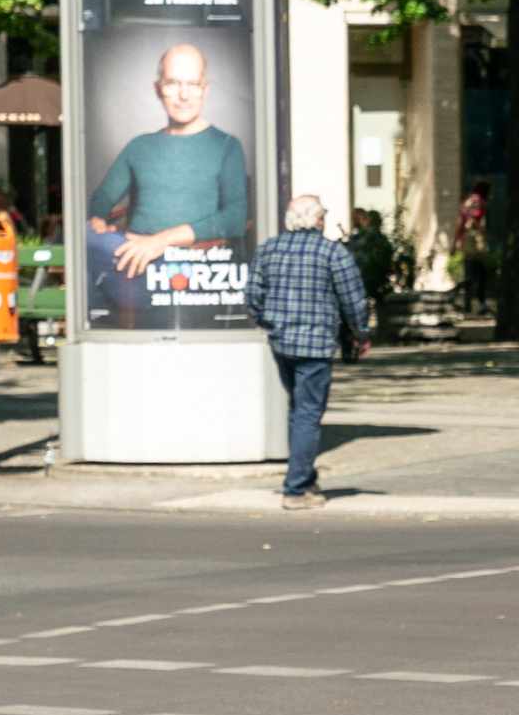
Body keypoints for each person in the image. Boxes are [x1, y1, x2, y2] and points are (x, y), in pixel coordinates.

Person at [85, 40, 249, 321]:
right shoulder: (140, 146)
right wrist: (98, 217)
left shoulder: (226, 145)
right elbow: (101, 198)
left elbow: (236, 217)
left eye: (193, 84)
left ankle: (113, 314)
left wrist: (161, 241)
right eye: (172, 83)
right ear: (158, 88)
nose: (183, 95)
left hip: (190, 267)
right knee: (84, 236)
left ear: (205, 89)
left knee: (98, 275)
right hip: (132, 257)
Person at [248, 194, 371, 511]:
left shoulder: (268, 249)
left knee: (298, 410)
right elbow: (353, 297)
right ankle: (296, 489)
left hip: (282, 343)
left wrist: (270, 323)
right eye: (323, 215)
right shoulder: (331, 252)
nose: (324, 220)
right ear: (316, 219)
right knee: (308, 413)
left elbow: (252, 294)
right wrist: (362, 333)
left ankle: (305, 475)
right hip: (315, 344)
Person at [455, 184, 491, 316]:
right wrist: (484, 231)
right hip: (476, 243)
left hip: (467, 243)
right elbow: (475, 218)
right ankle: (480, 304)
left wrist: (456, 244)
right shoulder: (478, 202)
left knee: (474, 274)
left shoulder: (466, 202)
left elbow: (460, 224)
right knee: (481, 276)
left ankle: (469, 302)